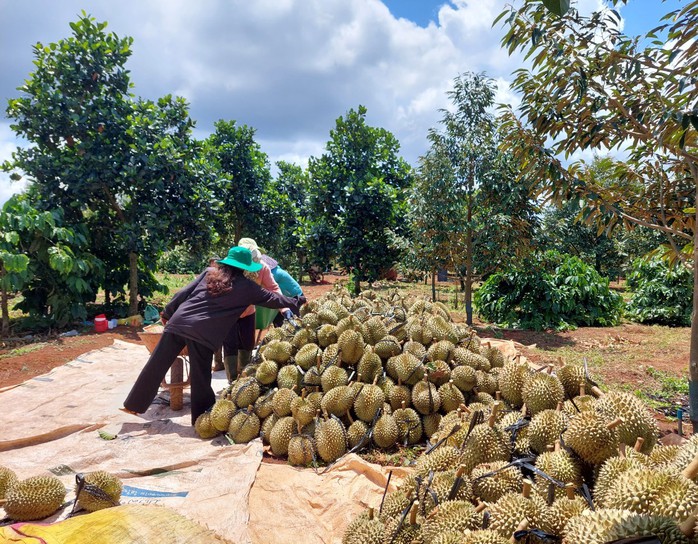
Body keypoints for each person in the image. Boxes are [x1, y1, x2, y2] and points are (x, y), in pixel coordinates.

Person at [121, 246, 305, 424]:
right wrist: (297, 301)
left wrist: (167, 313)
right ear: (245, 268)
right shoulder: (248, 287)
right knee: (200, 377)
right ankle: (202, 419)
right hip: (204, 332)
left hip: (178, 323)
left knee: (156, 364)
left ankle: (133, 405)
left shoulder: (210, 272)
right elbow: (274, 299)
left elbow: (184, 292)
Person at [221, 237, 284, 383]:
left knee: (247, 344)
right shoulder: (228, 265)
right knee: (230, 344)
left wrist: (284, 307)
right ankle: (232, 381)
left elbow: (273, 288)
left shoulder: (262, 267)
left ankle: (244, 379)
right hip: (228, 313)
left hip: (248, 312)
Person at [260, 253, 304, 327]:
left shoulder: (274, 274)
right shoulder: (276, 270)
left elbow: (268, 289)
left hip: (293, 297)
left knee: (294, 322)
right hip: (285, 298)